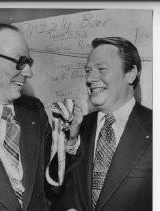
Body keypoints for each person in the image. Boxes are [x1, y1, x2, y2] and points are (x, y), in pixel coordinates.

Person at [0, 23, 83, 211]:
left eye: (29, 63)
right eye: (19, 61)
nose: (28, 72)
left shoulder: (35, 111)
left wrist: (70, 139)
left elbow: (51, 187)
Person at [51, 37, 152, 211]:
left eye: (102, 69)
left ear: (130, 74)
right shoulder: (77, 128)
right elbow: (52, 189)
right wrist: (71, 141)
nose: (90, 78)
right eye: (88, 70)